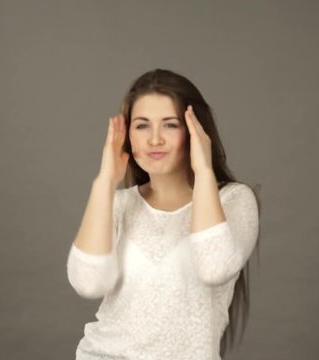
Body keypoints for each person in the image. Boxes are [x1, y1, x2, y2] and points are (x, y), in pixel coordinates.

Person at [66, 69, 261, 359]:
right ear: (128, 136)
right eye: (142, 126)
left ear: (195, 131)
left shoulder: (233, 201)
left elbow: (214, 267)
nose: (154, 139)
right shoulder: (117, 204)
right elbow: (88, 283)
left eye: (170, 125)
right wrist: (104, 182)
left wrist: (204, 170)